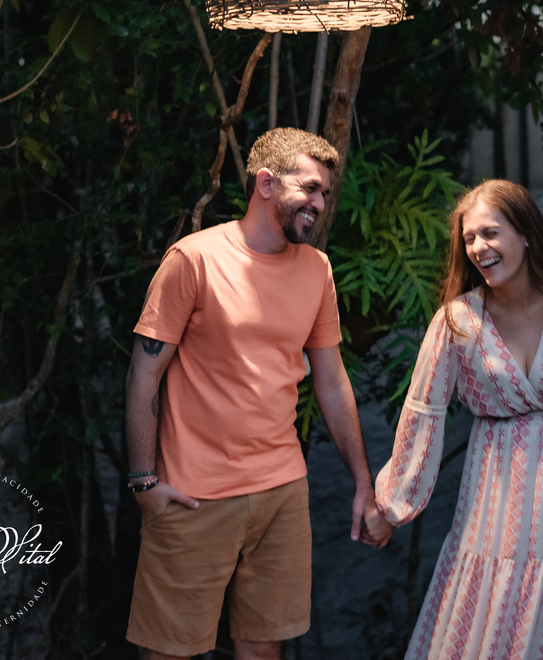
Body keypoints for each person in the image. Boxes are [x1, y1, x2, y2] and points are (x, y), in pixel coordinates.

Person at [123, 128, 392, 660]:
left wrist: (363, 480)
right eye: (310, 188)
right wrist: (142, 480)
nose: (319, 202)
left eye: (324, 193)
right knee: (169, 652)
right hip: (193, 494)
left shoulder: (316, 270)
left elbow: (332, 381)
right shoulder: (194, 259)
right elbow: (143, 376)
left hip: (281, 493)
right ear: (266, 183)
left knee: (262, 649)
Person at [375, 179, 543, 659]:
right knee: (496, 618)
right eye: (468, 238)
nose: (478, 247)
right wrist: (392, 506)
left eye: (490, 233)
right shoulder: (457, 321)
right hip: (498, 502)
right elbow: (424, 414)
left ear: (526, 233)